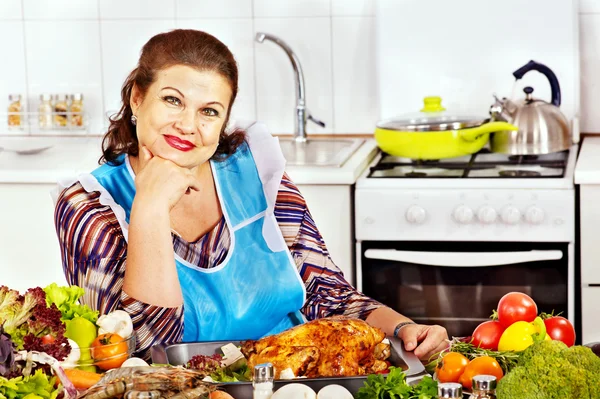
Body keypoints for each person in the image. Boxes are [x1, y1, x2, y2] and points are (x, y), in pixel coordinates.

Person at [53, 29, 448, 362]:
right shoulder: (88, 205)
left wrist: (404, 327)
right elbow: (133, 353)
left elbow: (326, 295)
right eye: (172, 100)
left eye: (209, 111)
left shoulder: (256, 171)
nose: (188, 125)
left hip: (295, 384)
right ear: (137, 98)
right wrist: (150, 208)